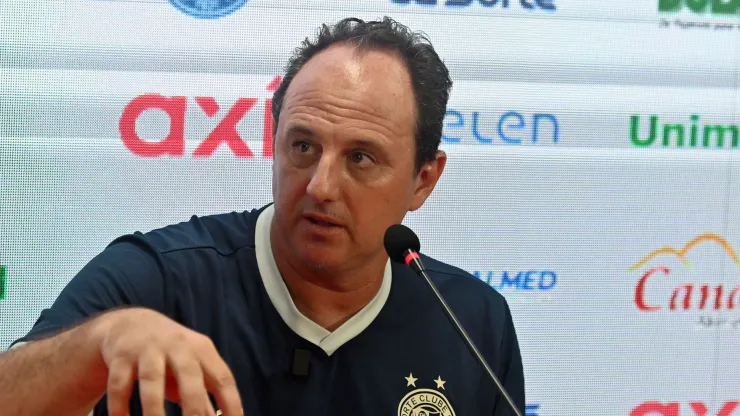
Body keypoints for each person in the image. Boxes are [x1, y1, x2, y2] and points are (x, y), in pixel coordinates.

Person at [0, 16, 525, 416]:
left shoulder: (474, 324)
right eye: (302, 146)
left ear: (423, 179)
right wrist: (94, 346)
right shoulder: (156, 280)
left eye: (360, 158)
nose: (320, 186)